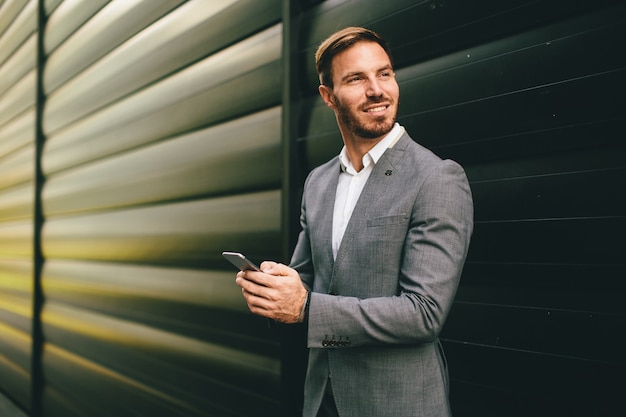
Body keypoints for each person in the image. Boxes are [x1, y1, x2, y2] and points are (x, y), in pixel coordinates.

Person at [235, 26, 473, 417]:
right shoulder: (319, 181)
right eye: (356, 79)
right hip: (322, 400)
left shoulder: (436, 177)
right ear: (328, 97)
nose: (377, 89)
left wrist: (306, 307)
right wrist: (273, 291)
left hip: (398, 404)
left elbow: (424, 313)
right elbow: (307, 280)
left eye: (384, 73)